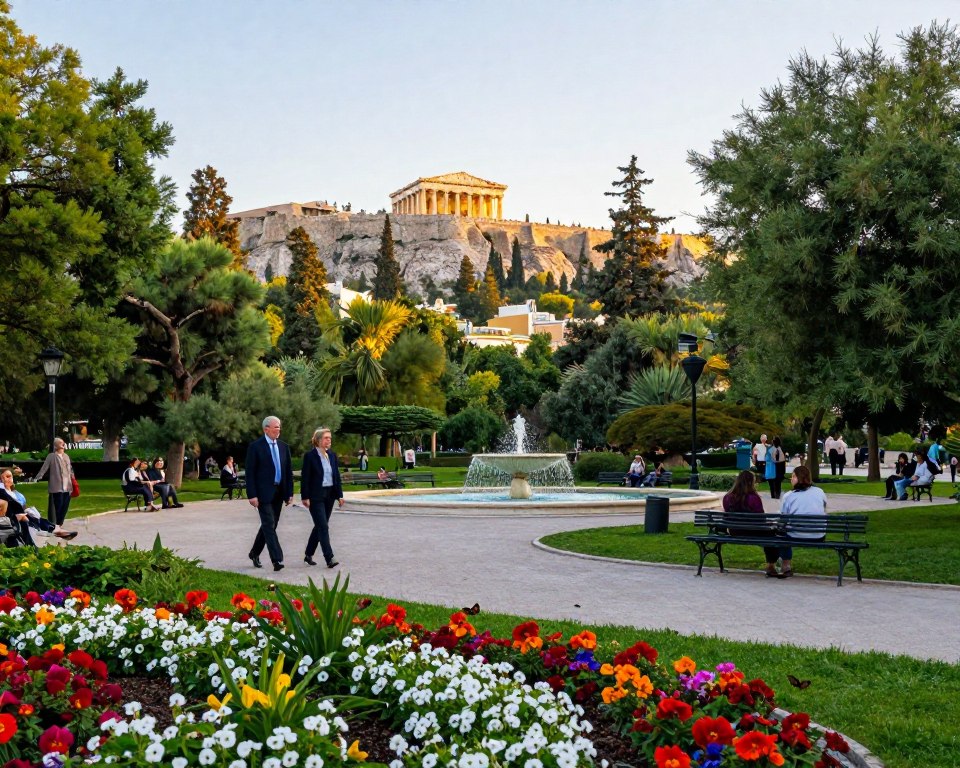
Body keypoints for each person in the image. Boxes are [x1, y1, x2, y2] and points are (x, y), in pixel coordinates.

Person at [246, 415, 294, 572]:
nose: (278, 429)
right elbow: (250, 473)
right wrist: (252, 495)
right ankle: (277, 559)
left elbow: (288, 472)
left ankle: (254, 553)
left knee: (270, 526)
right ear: (266, 429)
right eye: (275, 427)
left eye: (279, 426)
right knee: (268, 524)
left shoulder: (283, 447)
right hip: (262, 494)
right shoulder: (256, 447)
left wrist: (289, 493)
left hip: (279, 493)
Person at [722, 470, 779, 577]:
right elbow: (761, 519)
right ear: (751, 483)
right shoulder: (754, 498)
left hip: (735, 531)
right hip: (753, 531)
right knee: (773, 536)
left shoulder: (727, 497)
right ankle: (771, 565)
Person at [300, 427, 343, 569]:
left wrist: (340, 495)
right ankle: (329, 557)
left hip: (329, 495)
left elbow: (336, 476)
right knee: (323, 526)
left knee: (320, 526)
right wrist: (305, 496)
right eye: (326, 438)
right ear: (318, 440)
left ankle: (308, 554)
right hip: (316, 496)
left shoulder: (332, 455)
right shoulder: (310, 456)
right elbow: (305, 478)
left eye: (330, 438)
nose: (329, 440)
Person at [775, 465, 828, 578]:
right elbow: (824, 509)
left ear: (800, 478)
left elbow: (783, 518)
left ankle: (786, 566)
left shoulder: (789, 496)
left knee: (781, 534)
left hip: (796, 534)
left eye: (793, 476)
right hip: (818, 534)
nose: (791, 479)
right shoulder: (819, 492)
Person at [0, 468, 77, 543]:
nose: (9, 479)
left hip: (23, 516)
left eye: (10, 476)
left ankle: (52, 529)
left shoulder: (18, 494)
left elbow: (23, 507)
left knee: (28, 517)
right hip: (9, 517)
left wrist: (29, 511)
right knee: (25, 519)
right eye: (5, 477)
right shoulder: (2, 493)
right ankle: (54, 530)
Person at [32, 437, 75, 532]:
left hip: (67, 486)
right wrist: (37, 477)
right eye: (60, 443)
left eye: (63, 442)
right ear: (56, 446)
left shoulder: (66, 456)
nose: (62, 444)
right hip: (57, 487)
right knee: (58, 506)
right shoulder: (51, 456)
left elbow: (70, 470)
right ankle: (57, 526)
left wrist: (73, 481)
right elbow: (44, 467)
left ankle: (59, 524)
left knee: (65, 507)